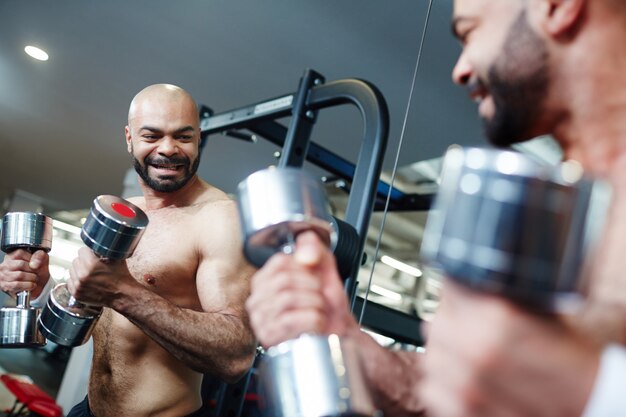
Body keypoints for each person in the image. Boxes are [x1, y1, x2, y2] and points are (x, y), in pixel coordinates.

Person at [245, 0, 626, 415]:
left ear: (558, 7)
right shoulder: (584, 202)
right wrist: (345, 338)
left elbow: (551, 386)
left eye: (469, 31)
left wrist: (582, 392)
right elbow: (470, 389)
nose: (460, 69)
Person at [0, 84, 257, 417]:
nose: (169, 149)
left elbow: (235, 355)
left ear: (198, 137)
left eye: (183, 136)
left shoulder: (220, 219)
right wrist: (42, 289)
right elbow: (87, 320)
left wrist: (121, 291)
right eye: (151, 136)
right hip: (90, 408)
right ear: (129, 138)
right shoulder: (121, 212)